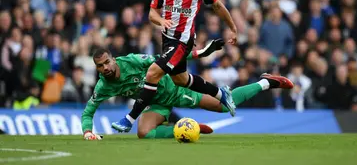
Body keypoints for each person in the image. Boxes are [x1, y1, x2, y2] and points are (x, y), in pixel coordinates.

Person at [112, 0, 239, 133]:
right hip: (167, 40)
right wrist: (161, 20)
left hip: (183, 41)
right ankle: (222, 93)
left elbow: (218, 6)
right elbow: (152, 13)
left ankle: (129, 118)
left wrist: (232, 27)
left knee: (153, 73)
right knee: (180, 79)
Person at [82, 45, 294, 140]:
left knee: (222, 106)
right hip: (153, 103)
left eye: (107, 62)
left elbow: (167, 58)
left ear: (113, 58)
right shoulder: (103, 86)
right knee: (143, 133)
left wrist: (200, 53)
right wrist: (87, 131)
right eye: (100, 66)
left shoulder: (132, 61)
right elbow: (88, 111)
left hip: (176, 89)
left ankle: (265, 83)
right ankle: (187, 129)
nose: (105, 68)